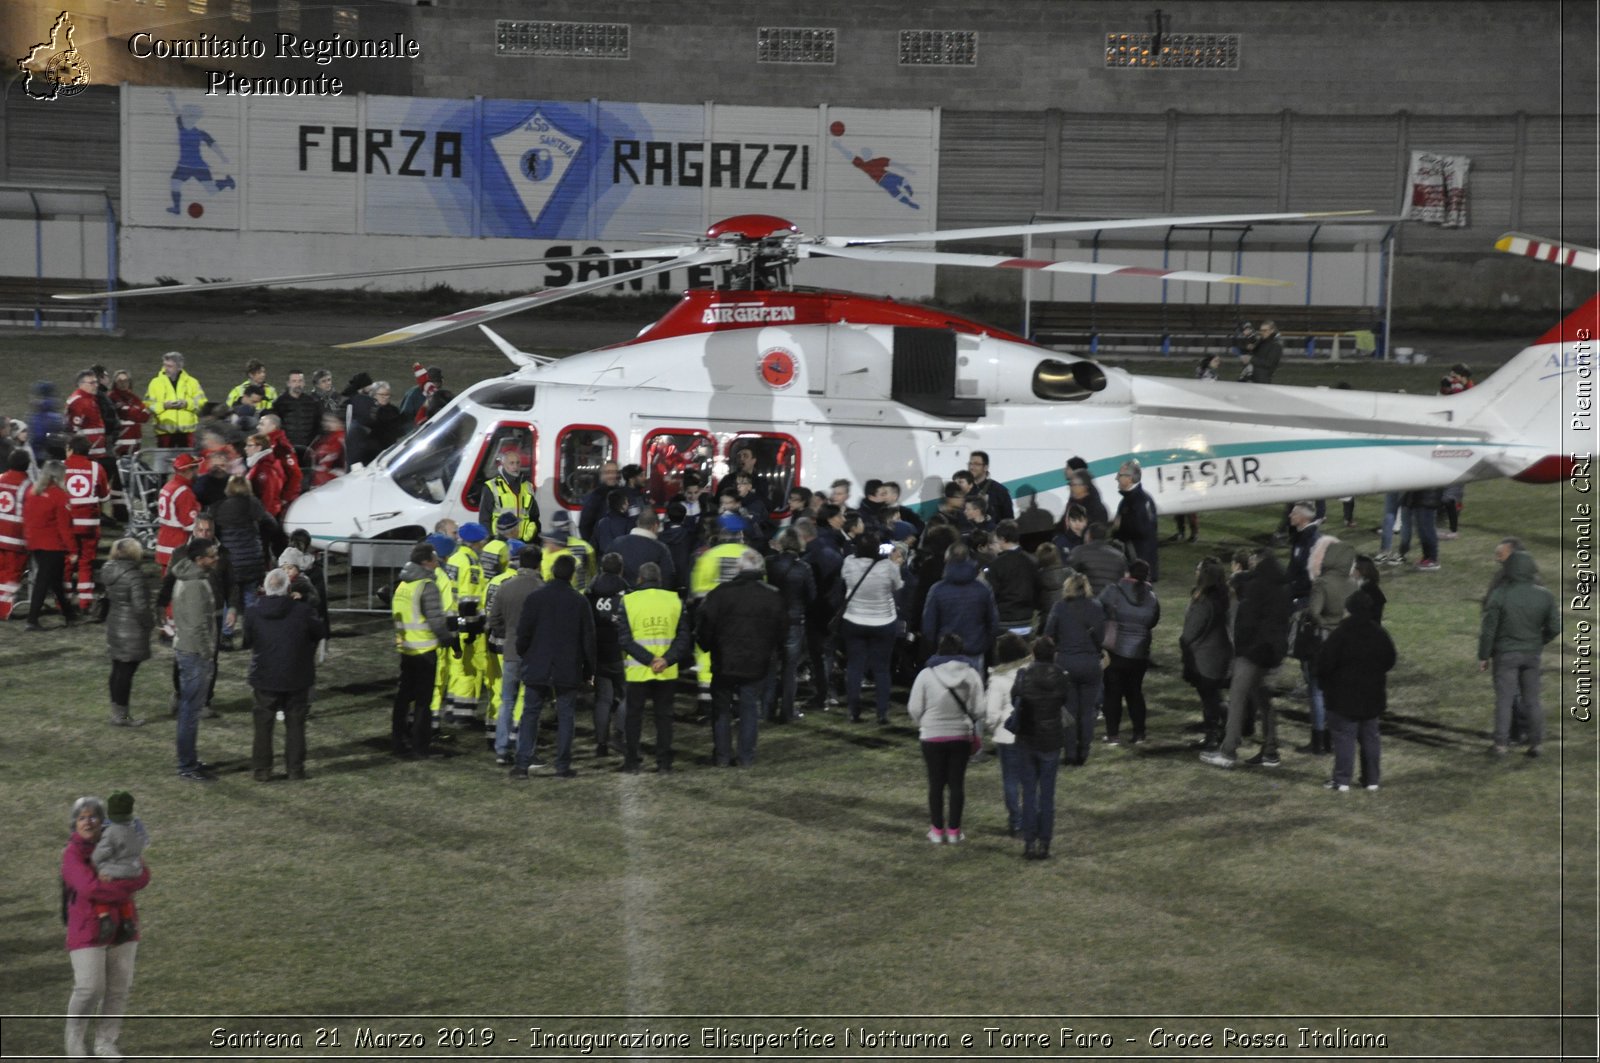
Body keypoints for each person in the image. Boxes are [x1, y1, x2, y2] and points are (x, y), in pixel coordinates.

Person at [62, 795, 150, 1061]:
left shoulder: (117, 838)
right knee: (89, 988)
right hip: (88, 930)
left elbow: (143, 875)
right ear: (74, 823)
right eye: (82, 817)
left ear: (103, 820)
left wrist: (112, 884)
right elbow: (89, 887)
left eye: (93, 816)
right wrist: (123, 885)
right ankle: (74, 1040)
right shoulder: (72, 853)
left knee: (118, 988)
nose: (88, 822)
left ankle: (106, 1043)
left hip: (123, 928)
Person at [1201, 548, 1293, 769]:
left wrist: (1241, 648)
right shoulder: (1281, 585)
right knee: (1263, 699)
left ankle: (1228, 751)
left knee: (1237, 698)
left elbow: (1246, 621)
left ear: (1257, 561)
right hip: (1274, 651)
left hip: (1253, 651)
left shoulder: (1257, 587)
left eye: (1252, 560)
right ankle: (1271, 751)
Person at [695, 548, 787, 766]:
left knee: (722, 709)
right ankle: (746, 757)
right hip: (756, 662)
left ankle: (722, 756)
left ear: (738, 568)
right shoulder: (772, 595)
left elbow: (706, 625)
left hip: (724, 661)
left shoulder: (720, 593)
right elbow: (782, 630)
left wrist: (705, 646)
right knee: (748, 708)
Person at [513, 554, 596, 779]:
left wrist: (526, 655)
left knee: (530, 713)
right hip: (567, 667)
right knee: (566, 715)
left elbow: (523, 634)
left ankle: (522, 765)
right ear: (571, 574)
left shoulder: (535, 598)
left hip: (537, 664)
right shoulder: (579, 601)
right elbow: (588, 639)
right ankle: (562, 766)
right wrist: (589, 671)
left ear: (552, 572)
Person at [244, 568, 327, 781]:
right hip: (297, 674)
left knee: (263, 723)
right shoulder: (302, 610)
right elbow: (320, 631)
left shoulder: (253, 611)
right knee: (296, 723)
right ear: (288, 588)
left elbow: (247, 640)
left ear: (264, 588)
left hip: (265, 674)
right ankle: (295, 769)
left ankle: (262, 770)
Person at [1479, 549, 1560, 757]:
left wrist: (1484, 655)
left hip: (1505, 655)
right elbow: (1555, 627)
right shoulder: (1544, 595)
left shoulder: (1501, 594)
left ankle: (1500, 745)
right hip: (1532, 654)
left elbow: (1489, 629)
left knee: (1505, 700)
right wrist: (1539, 641)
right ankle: (1536, 743)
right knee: (1532, 700)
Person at [907, 633, 986, 845]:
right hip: (960, 735)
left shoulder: (926, 674)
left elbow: (914, 708)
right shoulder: (971, 674)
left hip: (931, 736)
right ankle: (954, 831)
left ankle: (936, 830)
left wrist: (924, 723)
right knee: (956, 784)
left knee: (936, 784)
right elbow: (979, 709)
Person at [1317, 591, 1397, 791]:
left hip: (1343, 696)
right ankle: (1372, 780)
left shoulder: (1341, 634)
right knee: (1370, 737)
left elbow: (1325, 663)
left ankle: (1342, 780)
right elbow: (1390, 659)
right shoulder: (1378, 633)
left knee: (1344, 737)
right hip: (1372, 695)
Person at [617, 561, 690, 773]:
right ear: (659, 579)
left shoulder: (628, 601)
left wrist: (649, 660)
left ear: (639, 579)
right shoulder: (675, 600)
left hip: (638, 670)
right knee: (664, 718)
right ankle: (664, 763)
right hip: (667, 670)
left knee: (634, 718)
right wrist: (665, 660)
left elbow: (625, 639)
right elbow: (684, 637)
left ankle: (632, 762)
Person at [390, 543, 454, 759]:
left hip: (406, 649)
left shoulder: (402, 585)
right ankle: (420, 747)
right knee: (423, 703)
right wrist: (448, 640)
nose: (437, 563)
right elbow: (436, 621)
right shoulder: (427, 586)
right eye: (435, 559)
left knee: (403, 699)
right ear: (426, 562)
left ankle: (398, 742)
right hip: (425, 651)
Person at [1008, 635, 1069, 860]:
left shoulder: (1023, 675)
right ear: (1053, 654)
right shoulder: (1061, 677)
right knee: (1047, 795)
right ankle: (1045, 843)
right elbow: (1064, 700)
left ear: (1033, 653)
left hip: (1027, 739)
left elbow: (1014, 697)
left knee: (1029, 794)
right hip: (1051, 740)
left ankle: (1029, 843)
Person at [837, 530, 905, 724]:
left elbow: (844, 578)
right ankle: (882, 712)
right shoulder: (888, 567)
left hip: (854, 620)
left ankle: (854, 710)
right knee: (882, 669)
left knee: (855, 667)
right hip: (883, 621)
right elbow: (897, 586)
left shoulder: (849, 562)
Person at [1296, 539, 1357, 755]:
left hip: (1323, 642)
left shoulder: (1322, 583)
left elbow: (1314, 611)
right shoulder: (1352, 584)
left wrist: (1324, 624)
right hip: (1344, 642)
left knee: (1317, 691)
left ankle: (1318, 740)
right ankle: (1332, 739)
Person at [1039, 571, 1105, 765]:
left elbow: (1048, 635)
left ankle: (1069, 752)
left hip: (1066, 663)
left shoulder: (1059, 607)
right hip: (1091, 663)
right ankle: (1083, 752)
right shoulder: (1097, 607)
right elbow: (1101, 637)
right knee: (1087, 711)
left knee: (1068, 710)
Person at [170, 538, 220, 780]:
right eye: (212, 555)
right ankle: (186, 766)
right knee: (190, 712)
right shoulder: (194, 586)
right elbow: (199, 626)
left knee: (189, 711)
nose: (216, 558)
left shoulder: (190, 579)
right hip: (194, 654)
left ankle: (188, 760)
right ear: (199, 560)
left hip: (189, 651)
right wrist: (208, 654)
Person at [1097, 558, 1161, 745]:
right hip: (1139, 653)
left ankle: (1113, 735)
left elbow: (1097, 609)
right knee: (1135, 692)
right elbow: (1153, 621)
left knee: (1113, 694)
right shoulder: (1152, 598)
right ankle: (1139, 734)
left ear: (1127, 573)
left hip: (1115, 650)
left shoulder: (1112, 591)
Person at [1179, 559, 1233, 752]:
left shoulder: (1204, 601)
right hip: (1221, 654)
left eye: (1198, 569)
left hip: (1204, 657)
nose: (1195, 571)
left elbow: (1191, 632)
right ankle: (1225, 727)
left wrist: (1184, 642)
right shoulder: (1225, 595)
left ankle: (1214, 735)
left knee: (1209, 698)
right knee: (1214, 695)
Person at [920, 541, 998, 674]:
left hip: (946, 653)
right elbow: (993, 621)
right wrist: (984, 644)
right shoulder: (983, 588)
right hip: (975, 650)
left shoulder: (937, 590)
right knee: (974, 691)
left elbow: (928, 626)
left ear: (947, 559)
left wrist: (934, 646)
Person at [764, 529, 816, 723]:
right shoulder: (803, 568)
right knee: (789, 669)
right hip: (794, 622)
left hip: (770, 621)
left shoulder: (768, 563)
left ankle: (766, 709)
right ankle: (787, 712)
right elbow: (811, 596)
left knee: (770, 668)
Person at [103, 538, 155, 727]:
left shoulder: (108, 570)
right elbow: (140, 607)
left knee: (117, 668)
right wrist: (150, 623)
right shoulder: (135, 575)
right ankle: (122, 716)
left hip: (115, 623)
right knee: (125, 672)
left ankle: (117, 711)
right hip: (131, 628)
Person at [983, 633, 1031, 836]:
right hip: (1030, 734)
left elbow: (991, 714)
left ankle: (1017, 822)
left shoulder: (998, 680)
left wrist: (993, 727)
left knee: (1011, 780)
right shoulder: (1032, 673)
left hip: (1007, 736)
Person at [89, 790, 149, 947]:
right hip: (135, 868)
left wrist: (96, 866)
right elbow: (144, 842)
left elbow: (99, 854)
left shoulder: (111, 831)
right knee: (125, 895)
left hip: (117, 871)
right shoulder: (137, 825)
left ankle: (105, 919)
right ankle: (128, 920)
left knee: (100, 891)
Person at [24, 460, 78, 630]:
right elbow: (65, 527)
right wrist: (73, 550)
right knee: (44, 580)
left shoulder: (33, 493)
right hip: (52, 545)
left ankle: (69, 614)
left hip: (35, 542)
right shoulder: (59, 496)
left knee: (55, 580)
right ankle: (32, 620)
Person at [988, 519, 1044, 637]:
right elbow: (1038, 589)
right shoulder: (1031, 560)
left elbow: (992, 594)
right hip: (1027, 620)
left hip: (1005, 621)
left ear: (1003, 539)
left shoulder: (997, 564)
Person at [1111, 460, 1160, 583]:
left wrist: (1120, 529)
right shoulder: (1134, 499)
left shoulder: (1137, 501)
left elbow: (1143, 530)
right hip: (1138, 562)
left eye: (1120, 475)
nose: (1116, 478)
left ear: (1130, 478)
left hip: (1138, 564)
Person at [143, 352, 205, 449]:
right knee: (164, 462)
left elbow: (202, 403)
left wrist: (186, 404)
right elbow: (147, 405)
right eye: (164, 365)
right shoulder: (155, 383)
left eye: (170, 366)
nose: (166, 368)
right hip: (165, 433)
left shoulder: (192, 382)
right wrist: (164, 406)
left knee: (188, 463)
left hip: (187, 433)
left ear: (179, 367)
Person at [154, 453, 201, 574]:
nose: (198, 471)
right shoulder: (184, 492)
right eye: (195, 467)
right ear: (188, 470)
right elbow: (190, 525)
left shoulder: (168, 486)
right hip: (177, 546)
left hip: (164, 542)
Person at [965, 450, 1014, 523]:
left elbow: (1009, 522)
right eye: (970, 464)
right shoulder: (963, 490)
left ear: (986, 467)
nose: (971, 467)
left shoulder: (1000, 491)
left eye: (976, 464)